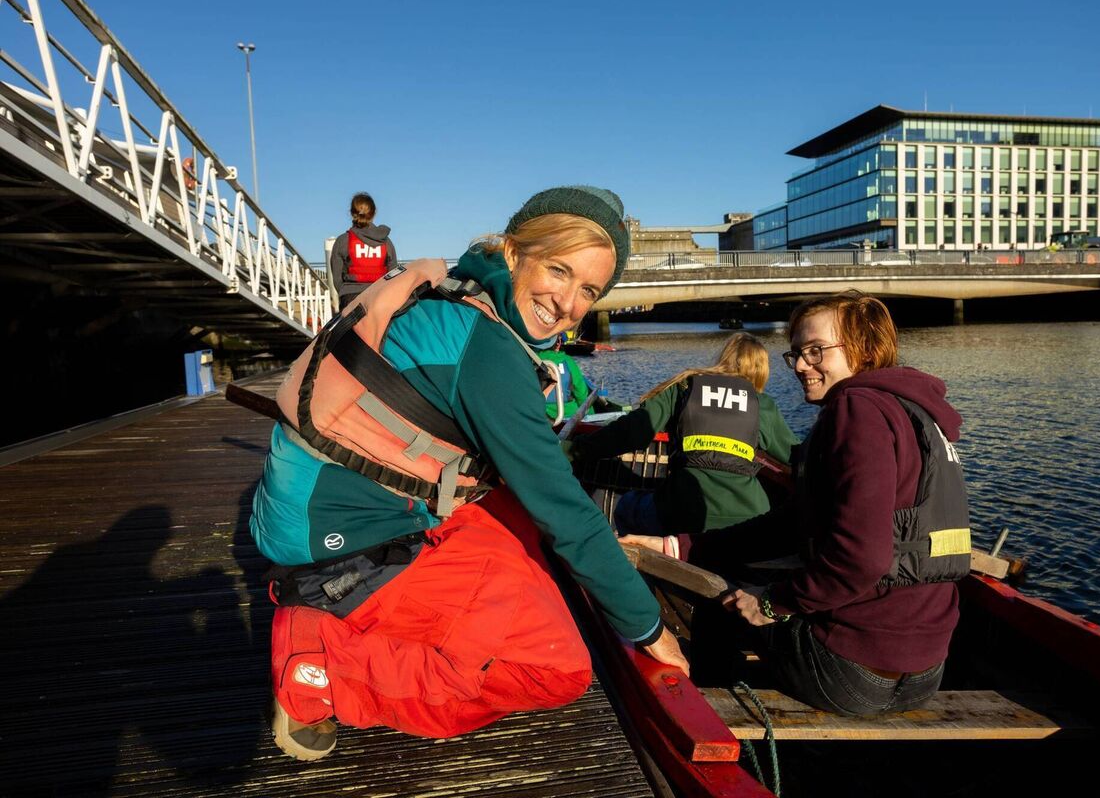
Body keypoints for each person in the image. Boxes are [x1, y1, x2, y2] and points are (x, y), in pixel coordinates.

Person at [251, 186, 687, 760]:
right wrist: (650, 628)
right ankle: (320, 664)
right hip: (339, 545)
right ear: (513, 252)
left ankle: (396, 616)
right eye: (559, 270)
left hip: (321, 508)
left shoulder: (463, 292)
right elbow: (565, 512)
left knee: (523, 527)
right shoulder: (488, 350)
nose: (568, 304)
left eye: (589, 291)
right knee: (556, 667)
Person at [699, 291, 970, 716]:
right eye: (796, 355)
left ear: (865, 348)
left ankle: (705, 722)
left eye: (815, 351)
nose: (802, 366)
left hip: (850, 674)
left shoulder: (855, 408)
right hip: (926, 673)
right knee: (743, 572)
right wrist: (688, 545)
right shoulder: (918, 412)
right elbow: (796, 523)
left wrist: (769, 604)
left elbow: (861, 560)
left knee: (721, 603)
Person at [570, 333, 798, 550]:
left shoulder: (685, 387)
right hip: (749, 514)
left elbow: (632, 432)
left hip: (683, 510)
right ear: (762, 371)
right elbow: (796, 456)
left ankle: (647, 573)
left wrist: (576, 450)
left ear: (724, 358)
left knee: (627, 506)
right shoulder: (762, 404)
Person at [328, 192, 398, 305]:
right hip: (381, 297)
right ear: (374, 213)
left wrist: (346, 292)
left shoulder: (343, 241)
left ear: (351, 213)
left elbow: (337, 278)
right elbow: (393, 274)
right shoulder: (386, 242)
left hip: (351, 298)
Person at [538, 333, 595, 422]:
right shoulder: (568, 361)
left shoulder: (530, 360)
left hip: (541, 416)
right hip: (569, 415)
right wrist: (591, 415)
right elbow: (581, 393)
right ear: (559, 344)